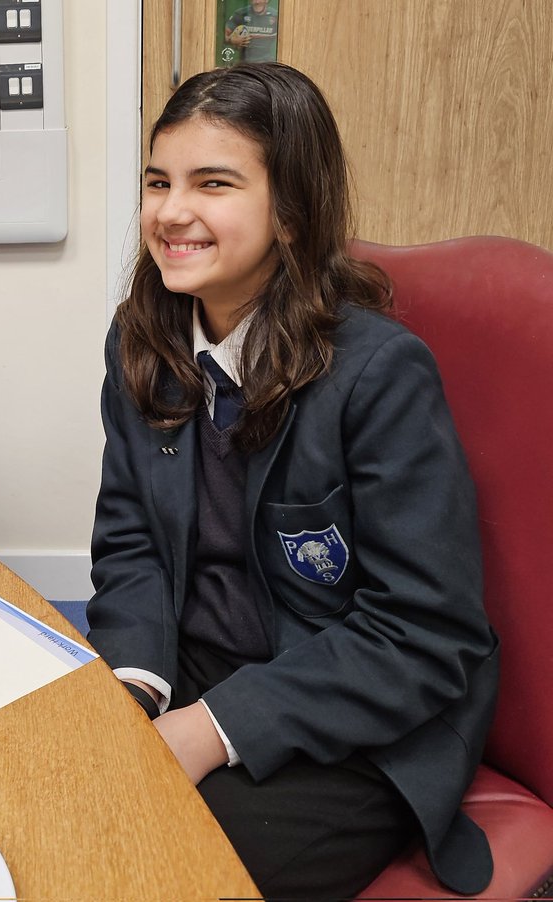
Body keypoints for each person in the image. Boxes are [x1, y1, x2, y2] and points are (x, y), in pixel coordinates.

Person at [86, 63, 498, 900]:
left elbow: (424, 634)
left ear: (291, 213)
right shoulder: (146, 340)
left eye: (214, 183)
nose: (171, 211)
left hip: (351, 711)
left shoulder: (380, 375)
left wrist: (209, 730)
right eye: (158, 182)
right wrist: (133, 685)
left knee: (159, 873)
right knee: (50, 802)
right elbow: (132, 545)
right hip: (200, 662)